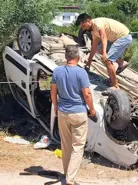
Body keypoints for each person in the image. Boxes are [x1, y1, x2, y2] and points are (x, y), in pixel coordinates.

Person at [50, 44, 96, 185]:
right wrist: (92, 110)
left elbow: (53, 92)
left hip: (63, 112)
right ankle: (70, 178)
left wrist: (56, 107)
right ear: (78, 57)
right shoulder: (81, 73)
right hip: (78, 113)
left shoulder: (57, 71)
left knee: (66, 146)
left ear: (66, 56)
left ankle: (66, 175)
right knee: (78, 146)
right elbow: (87, 94)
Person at [76, 13, 132, 89]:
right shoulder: (93, 30)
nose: (83, 29)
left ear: (88, 21)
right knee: (98, 49)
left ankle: (115, 85)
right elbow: (94, 47)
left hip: (123, 37)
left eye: (83, 26)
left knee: (107, 60)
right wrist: (89, 62)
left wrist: (105, 53)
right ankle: (121, 63)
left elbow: (104, 38)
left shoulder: (97, 24)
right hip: (114, 39)